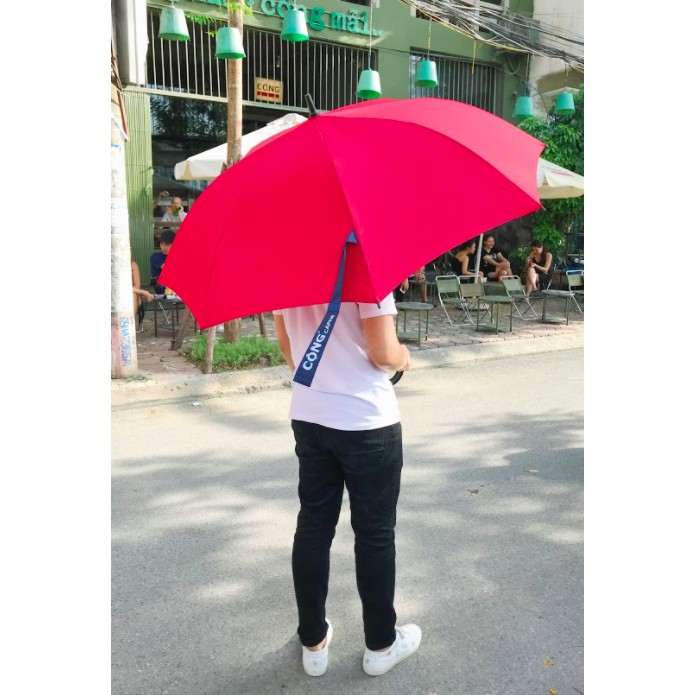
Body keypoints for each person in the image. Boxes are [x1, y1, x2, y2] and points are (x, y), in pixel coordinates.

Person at [273, 294, 422, 678]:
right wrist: (404, 358)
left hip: (309, 414)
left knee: (313, 526)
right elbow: (384, 352)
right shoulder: (367, 270)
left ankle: (313, 643)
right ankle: (381, 646)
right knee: (374, 534)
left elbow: (288, 348)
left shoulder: (286, 272)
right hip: (366, 420)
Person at [150, 229, 176, 294]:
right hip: (162, 290)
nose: (164, 247)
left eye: (167, 245)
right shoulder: (155, 257)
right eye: (162, 244)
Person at [131, 260, 154, 329]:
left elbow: (137, 285)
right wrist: (143, 292)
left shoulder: (132, 264)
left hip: (127, 294)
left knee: (133, 295)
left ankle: (129, 326)